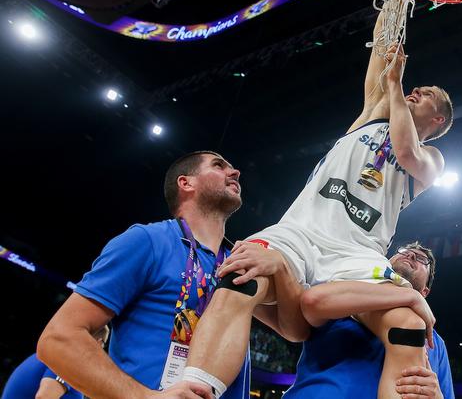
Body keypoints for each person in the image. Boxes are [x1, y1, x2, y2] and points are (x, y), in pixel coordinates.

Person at [182, 0, 454, 398]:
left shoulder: (432, 159)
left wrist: (399, 88)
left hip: (358, 252)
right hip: (301, 233)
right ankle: (191, 391)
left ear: (439, 122)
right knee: (239, 277)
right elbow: (383, 47)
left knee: (408, 323)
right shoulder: (372, 115)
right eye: (418, 89)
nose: (419, 91)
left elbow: (405, 148)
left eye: (429, 97)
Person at [37, 151, 304, 399]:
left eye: (232, 168)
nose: (234, 172)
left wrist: (281, 267)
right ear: (186, 183)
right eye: (218, 165)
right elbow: (58, 339)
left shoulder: (240, 259)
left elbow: (294, 331)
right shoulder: (147, 241)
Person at [285, 242, 455, 399]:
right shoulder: (344, 296)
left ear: (425, 292)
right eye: (405, 251)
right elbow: (313, 300)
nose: (410, 256)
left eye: (421, 259)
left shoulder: (435, 343)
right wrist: (410, 296)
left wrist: (438, 396)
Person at [2, 326, 109, 399]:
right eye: (104, 345)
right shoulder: (68, 358)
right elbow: (44, 397)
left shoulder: (57, 353)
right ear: (98, 343)